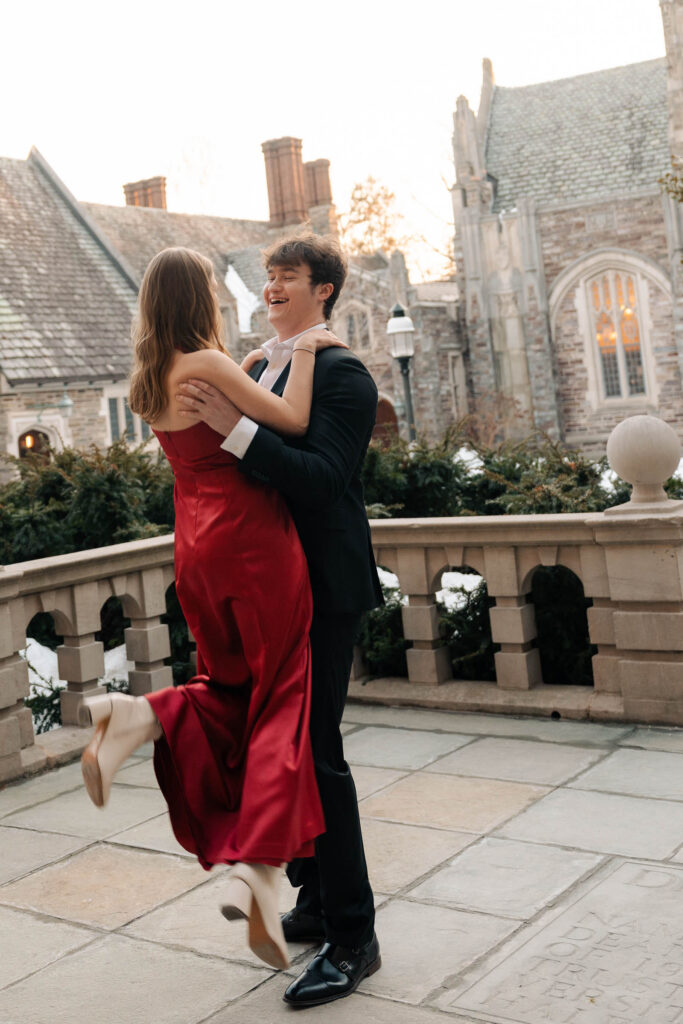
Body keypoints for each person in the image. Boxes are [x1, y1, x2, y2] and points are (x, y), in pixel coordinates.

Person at [79, 245, 345, 971]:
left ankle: (136, 717)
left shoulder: (150, 375)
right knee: (282, 697)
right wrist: (312, 351)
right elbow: (291, 422)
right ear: (200, 299)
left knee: (231, 686)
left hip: (194, 545)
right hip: (253, 546)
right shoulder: (205, 362)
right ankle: (257, 872)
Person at [175, 233, 384, 1009]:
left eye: (286, 276)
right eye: (266, 275)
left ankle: (355, 939)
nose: (270, 286)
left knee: (319, 756)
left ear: (322, 289)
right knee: (283, 747)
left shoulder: (343, 375)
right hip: (264, 589)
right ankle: (318, 901)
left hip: (323, 589)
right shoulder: (260, 366)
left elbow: (321, 480)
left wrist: (233, 428)